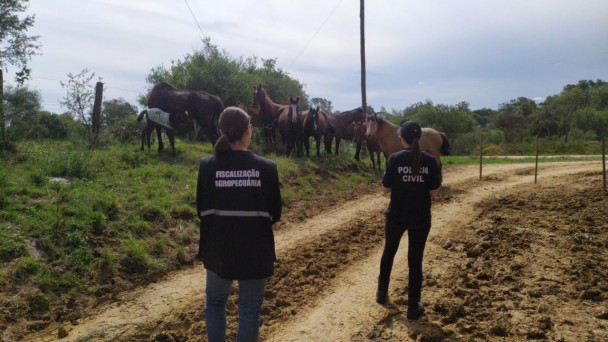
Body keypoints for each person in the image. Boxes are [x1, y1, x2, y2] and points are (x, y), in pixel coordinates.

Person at [196, 107, 282, 341]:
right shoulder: (267, 168)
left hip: (217, 250)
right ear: (248, 131)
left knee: (215, 303)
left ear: (222, 131)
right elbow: (275, 213)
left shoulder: (207, 166)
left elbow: (200, 210)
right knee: (249, 311)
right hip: (255, 251)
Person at [376, 121, 441, 320]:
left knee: (389, 252)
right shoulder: (430, 162)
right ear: (419, 138)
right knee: (415, 260)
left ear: (401, 138)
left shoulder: (394, 159)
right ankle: (413, 306)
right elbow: (434, 193)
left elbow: (385, 189)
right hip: (420, 217)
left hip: (396, 215)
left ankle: (381, 294)